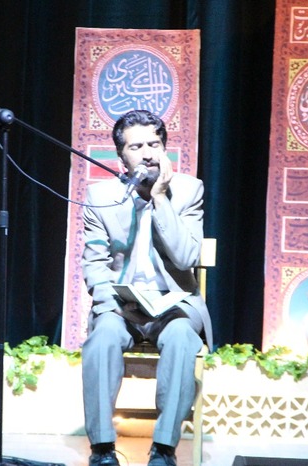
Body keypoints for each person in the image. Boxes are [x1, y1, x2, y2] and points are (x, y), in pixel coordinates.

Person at [81, 109, 212, 466]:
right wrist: (114, 302)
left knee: (183, 338)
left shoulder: (189, 190)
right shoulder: (100, 196)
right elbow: (94, 264)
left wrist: (161, 197)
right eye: (136, 147)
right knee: (103, 338)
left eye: (154, 144)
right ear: (121, 156)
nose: (148, 154)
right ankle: (102, 448)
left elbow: (186, 257)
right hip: (122, 305)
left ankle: (164, 449)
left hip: (173, 305)